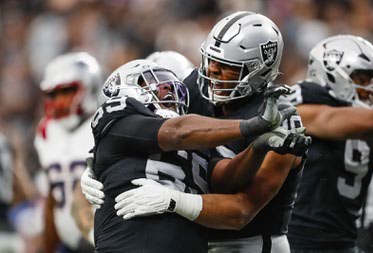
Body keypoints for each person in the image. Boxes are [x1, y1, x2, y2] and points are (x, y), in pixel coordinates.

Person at [82, 11, 310, 253]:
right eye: (210, 60)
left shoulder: (280, 119)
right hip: (194, 236)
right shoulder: (194, 87)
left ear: (258, 71)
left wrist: (175, 201)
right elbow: (152, 132)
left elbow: (242, 210)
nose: (212, 72)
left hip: (248, 243)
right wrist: (97, 164)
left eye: (227, 67)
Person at [278, 35, 373, 253]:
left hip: (345, 244)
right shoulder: (306, 104)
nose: (370, 88)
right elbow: (329, 121)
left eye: (372, 79)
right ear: (333, 74)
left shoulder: (366, 121)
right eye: (362, 78)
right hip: (294, 244)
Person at [34, 52, 102, 253]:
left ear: (90, 86)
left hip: (107, 241)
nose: (59, 101)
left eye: (67, 91)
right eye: (53, 94)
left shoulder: (104, 124)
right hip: (68, 245)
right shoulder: (46, 131)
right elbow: (52, 197)